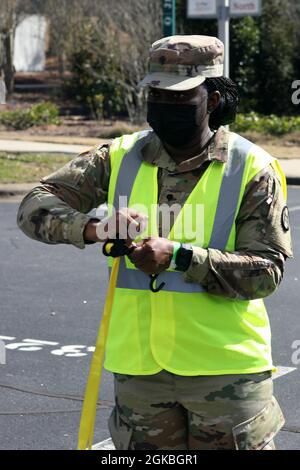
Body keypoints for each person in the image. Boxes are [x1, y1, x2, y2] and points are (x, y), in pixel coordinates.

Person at [17, 35, 293, 450]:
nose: (163, 104)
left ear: (212, 98)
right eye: (156, 93)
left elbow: (266, 273)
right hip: (140, 375)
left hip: (226, 376)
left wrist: (181, 257)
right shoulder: (119, 157)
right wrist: (95, 229)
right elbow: (33, 206)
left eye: (178, 95)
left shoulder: (251, 168)